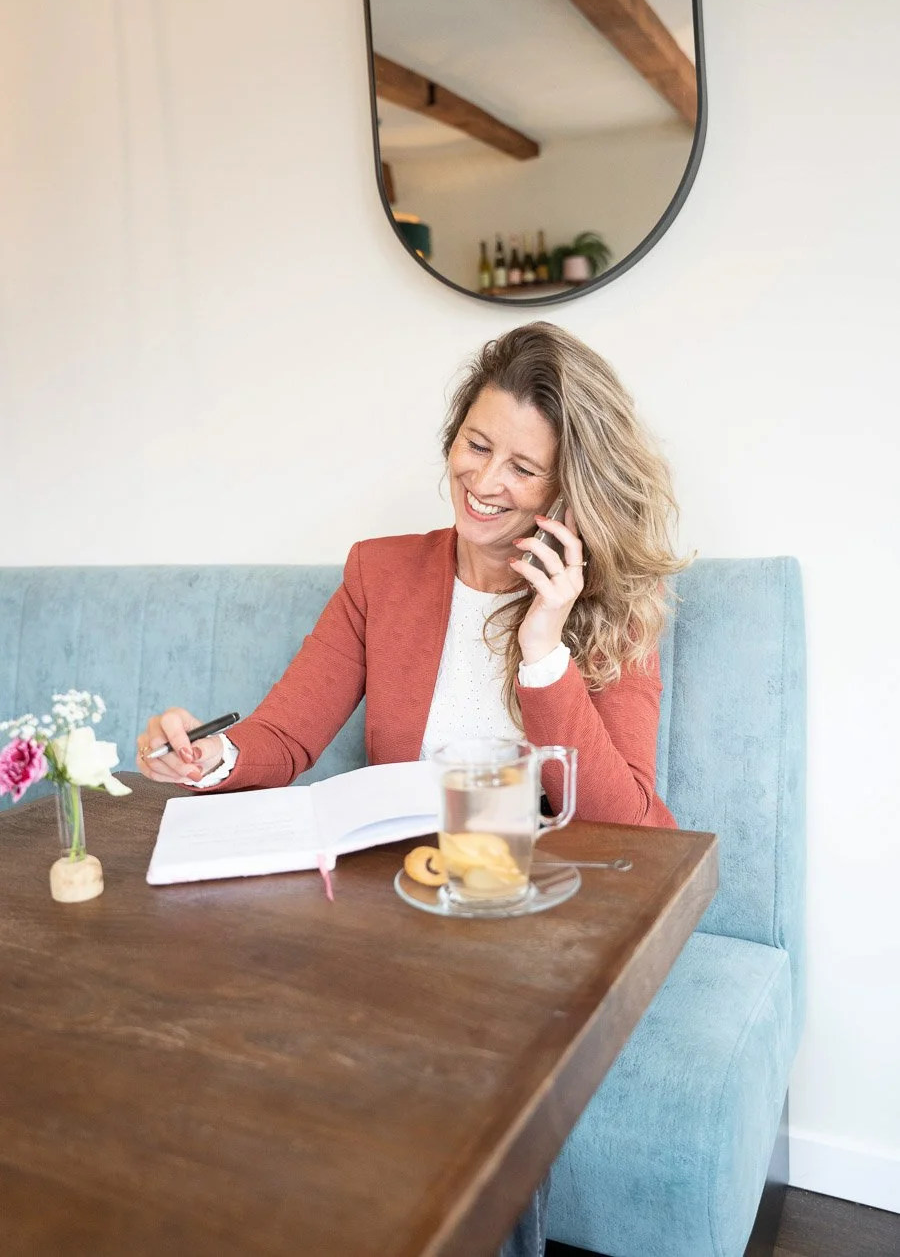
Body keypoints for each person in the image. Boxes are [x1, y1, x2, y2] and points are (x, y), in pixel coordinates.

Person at [137, 320, 687, 1256]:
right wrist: (207, 758)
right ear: (450, 438)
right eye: (477, 444)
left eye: (523, 466)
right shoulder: (380, 571)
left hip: (534, 915)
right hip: (397, 901)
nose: (487, 481)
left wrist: (546, 647)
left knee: (464, 1063)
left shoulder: (611, 604)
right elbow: (283, 731)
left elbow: (633, 822)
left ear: (567, 488)